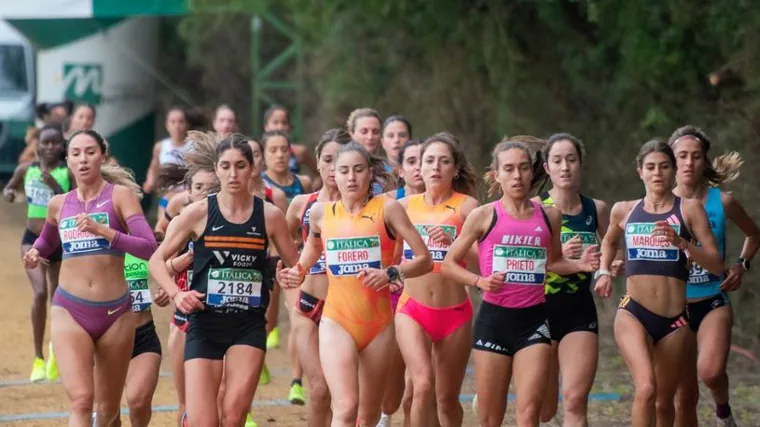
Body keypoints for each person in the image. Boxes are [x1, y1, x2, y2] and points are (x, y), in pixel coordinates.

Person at [441, 137, 600, 427]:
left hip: (534, 322)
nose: (517, 176)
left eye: (524, 168)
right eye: (510, 169)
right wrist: (480, 281)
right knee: (491, 418)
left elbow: (552, 262)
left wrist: (580, 265)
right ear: (497, 174)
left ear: (532, 172)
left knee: (529, 416)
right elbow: (449, 264)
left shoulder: (549, 214)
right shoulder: (483, 215)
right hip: (494, 321)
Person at [149, 132, 300, 427]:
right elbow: (156, 261)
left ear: (252, 169)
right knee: (203, 421)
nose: (233, 174)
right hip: (205, 323)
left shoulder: (270, 216)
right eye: (226, 166)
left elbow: (294, 265)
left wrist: (288, 275)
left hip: (249, 325)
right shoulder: (198, 213)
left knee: (233, 417)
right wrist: (177, 295)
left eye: (240, 166)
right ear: (217, 169)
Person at [279, 141, 433, 426]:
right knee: (346, 408)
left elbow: (424, 259)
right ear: (332, 174)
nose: (351, 178)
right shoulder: (321, 213)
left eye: (359, 170)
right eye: (344, 171)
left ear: (370, 174)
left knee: (369, 414)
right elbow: (313, 248)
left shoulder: (389, 209)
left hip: (378, 326)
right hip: (337, 320)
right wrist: (298, 270)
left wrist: (391, 274)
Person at [23, 129, 157, 426]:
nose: (83, 159)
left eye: (90, 152)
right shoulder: (59, 204)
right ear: (67, 160)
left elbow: (149, 247)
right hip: (69, 309)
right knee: (82, 401)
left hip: (116, 314)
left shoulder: (120, 197)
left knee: (108, 411)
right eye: (76, 153)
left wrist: (107, 233)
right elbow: (47, 241)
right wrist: (35, 252)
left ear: (102, 156)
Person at [594, 140, 724, 427]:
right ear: (640, 172)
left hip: (675, 320)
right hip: (634, 313)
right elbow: (609, 241)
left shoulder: (689, 209)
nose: (657, 173)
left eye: (664, 167)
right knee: (646, 388)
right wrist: (602, 271)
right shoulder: (624, 210)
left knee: (664, 401)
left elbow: (716, 263)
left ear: (674, 171)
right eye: (650, 167)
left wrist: (682, 244)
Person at [668, 126, 759, 427]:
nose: (689, 163)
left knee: (710, 371)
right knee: (684, 395)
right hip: (673, 307)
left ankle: (723, 412)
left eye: (696, 156)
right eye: (682, 156)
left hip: (712, 300)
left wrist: (741, 265)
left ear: (705, 161)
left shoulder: (724, 202)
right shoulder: (659, 204)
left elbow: (754, 234)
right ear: (672, 160)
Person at [394, 133, 479, 427]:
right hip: (412, 309)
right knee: (422, 386)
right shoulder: (404, 207)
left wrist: (456, 241)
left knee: (446, 400)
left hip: (454, 313)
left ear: (455, 169)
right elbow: (392, 258)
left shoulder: (468, 207)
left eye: (444, 161)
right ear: (420, 166)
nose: (435, 167)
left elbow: (485, 260)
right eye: (429, 161)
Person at [536, 133, 610, 426]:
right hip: (538, 309)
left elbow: (612, 250)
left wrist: (607, 267)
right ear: (547, 168)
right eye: (557, 161)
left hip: (579, 310)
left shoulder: (597, 209)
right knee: (543, 410)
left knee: (576, 400)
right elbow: (521, 266)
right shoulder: (535, 208)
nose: (565, 167)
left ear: (580, 164)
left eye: (571, 160)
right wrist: (558, 254)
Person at [284, 128, 350, 426]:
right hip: (308, 306)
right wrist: (288, 285)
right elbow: (281, 244)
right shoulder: (302, 204)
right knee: (321, 389)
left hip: (347, 309)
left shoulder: (364, 207)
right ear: (318, 164)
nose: (333, 167)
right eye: (327, 159)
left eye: (340, 161)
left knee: (345, 394)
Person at [3, 123, 73, 382]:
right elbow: (10, 189)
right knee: (40, 292)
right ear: (38, 145)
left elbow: (73, 200)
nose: (51, 147)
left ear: (62, 145)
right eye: (46, 142)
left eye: (56, 142)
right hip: (32, 238)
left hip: (60, 240)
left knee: (57, 297)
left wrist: (54, 185)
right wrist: (10, 192)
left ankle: (56, 350)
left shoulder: (68, 172)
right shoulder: (26, 170)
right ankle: (37, 357)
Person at [379, 139, 426, 427]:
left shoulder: (456, 204)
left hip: (435, 297)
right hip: (396, 295)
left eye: (426, 160)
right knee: (394, 379)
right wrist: (391, 274)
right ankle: (385, 416)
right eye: (412, 162)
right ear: (400, 170)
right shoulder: (387, 204)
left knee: (419, 386)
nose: (420, 167)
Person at [143, 107, 191, 219]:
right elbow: (154, 166)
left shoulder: (194, 146)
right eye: (173, 122)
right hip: (167, 197)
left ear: (187, 124)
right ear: (167, 125)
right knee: (163, 230)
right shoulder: (161, 146)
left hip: (187, 199)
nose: (177, 126)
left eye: (181, 122)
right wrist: (150, 180)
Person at [263, 104, 318, 179]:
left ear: (289, 126)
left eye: (284, 123)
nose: (280, 127)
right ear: (266, 126)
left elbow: (319, 174)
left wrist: (309, 189)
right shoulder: (258, 152)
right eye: (275, 122)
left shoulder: (299, 152)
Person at [261, 130, 313, 201]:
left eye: (284, 150)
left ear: (290, 153)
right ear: (263, 154)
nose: (280, 155)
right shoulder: (259, 185)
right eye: (273, 150)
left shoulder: (304, 183)